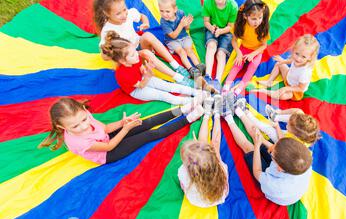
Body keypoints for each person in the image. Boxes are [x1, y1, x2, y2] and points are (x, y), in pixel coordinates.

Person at [39, 97, 204, 165]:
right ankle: (189, 118)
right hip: (108, 153)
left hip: (106, 137)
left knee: (147, 122)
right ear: (63, 128)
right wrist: (126, 129)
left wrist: (123, 122)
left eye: (84, 119)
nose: (83, 126)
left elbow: (106, 129)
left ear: (83, 110)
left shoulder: (84, 115)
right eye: (75, 126)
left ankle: (183, 109)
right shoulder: (78, 142)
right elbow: (110, 146)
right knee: (151, 134)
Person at [93, 0, 193, 86]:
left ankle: (175, 65)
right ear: (106, 13)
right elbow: (104, 56)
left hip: (138, 44)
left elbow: (142, 16)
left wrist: (145, 23)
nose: (124, 15)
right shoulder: (108, 31)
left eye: (124, 9)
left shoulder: (128, 14)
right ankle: (178, 77)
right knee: (147, 53)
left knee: (148, 35)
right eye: (118, 13)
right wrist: (113, 51)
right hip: (130, 57)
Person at [224, 111, 313, 206]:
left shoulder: (274, 185)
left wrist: (257, 147)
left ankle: (228, 117)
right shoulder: (302, 157)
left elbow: (257, 172)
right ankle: (240, 112)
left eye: (272, 154)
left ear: (279, 167)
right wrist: (261, 140)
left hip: (275, 189)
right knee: (259, 138)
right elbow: (277, 147)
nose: (271, 149)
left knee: (248, 147)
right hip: (285, 173)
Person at [102, 31, 209, 105]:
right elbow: (141, 85)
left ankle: (196, 91)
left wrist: (146, 70)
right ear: (122, 61)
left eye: (135, 51)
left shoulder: (135, 58)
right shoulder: (123, 74)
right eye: (132, 54)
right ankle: (192, 101)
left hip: (143, 78)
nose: (137, 54)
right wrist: (148, 75)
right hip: (137, 89)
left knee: (169, 86)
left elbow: (140, 69)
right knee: (163, 95)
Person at [178, 94, 229, 207]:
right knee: (215, 144)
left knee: (204, 142)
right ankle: (216, 114)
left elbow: (184, 181)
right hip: (218, 197)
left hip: (197, 200)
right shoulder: (221, 170)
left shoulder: (183, 172)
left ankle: (207, 114)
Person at [222, 0, 270, 96]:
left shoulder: (263, 26)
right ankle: (226, 87)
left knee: (252, 67)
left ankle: (239, 88)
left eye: (260, 18)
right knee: (236, 65)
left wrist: (253, 54)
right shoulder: (240, 25)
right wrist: (239, 53)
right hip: (243, 49)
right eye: (253, 19)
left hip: (256, 52)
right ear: (245, 16)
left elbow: (264, 46)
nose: (257, 21)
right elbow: (234, 41)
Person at [254, 34, 319, 101]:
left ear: (310, 57)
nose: (298, 58)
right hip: (289, 77)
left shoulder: (305, 72)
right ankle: (269, 82)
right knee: (279, 64)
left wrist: (286, 88)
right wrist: (283, 61)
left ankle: (267, 92)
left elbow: (301, 88)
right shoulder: (297, 59)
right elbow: (292, 60)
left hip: (295, 90)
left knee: (283, 96)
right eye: (297, 54)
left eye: (303, 57)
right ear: (294, 49)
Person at [202, 0, 238, 88]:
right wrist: (212, 28)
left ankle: (217, 79)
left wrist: (221, 31)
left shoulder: (232, 6)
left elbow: (231, 26)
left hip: (226, 31)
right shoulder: (207, 1)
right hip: (213, 28)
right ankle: (207, 75)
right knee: (211, 46)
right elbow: (206, 22)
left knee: (221, 53)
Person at [158, 0, 206, 78]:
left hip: (184, 37)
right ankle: (191, 69)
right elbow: (173, 36)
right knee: (182, 52)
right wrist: (181, 24)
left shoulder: (180, 13)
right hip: (172, 40)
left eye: (167, 11)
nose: (164, 14)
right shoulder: (163, 21)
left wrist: (187, 23)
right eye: (161, 11)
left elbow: (186, 28)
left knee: (189, 50)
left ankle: (199, 66)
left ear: (175, 9)